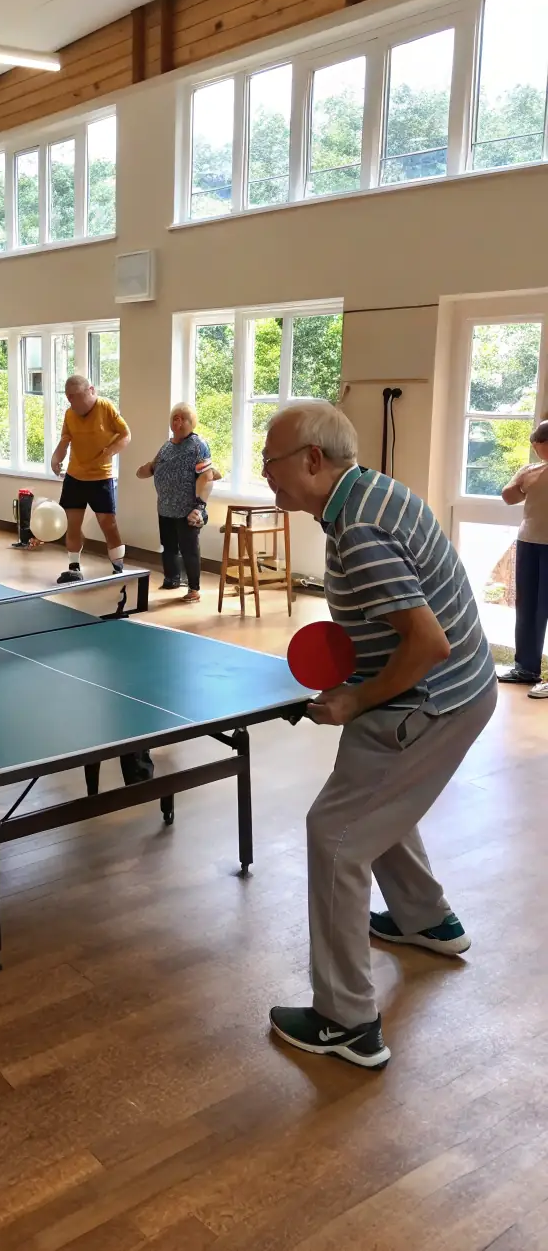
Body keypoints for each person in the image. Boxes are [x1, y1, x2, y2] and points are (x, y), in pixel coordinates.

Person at [260, 402, 497, 1070]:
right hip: (460, 691)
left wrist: (358, 698)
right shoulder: (368, 494)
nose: (266, 475)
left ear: (312, 458)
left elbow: (428, 643)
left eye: (272, 462)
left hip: (431, 700)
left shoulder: (360, 527)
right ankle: (427, 919)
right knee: (375, 801)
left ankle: (347, 1020)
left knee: (335, 835)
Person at [50, 376, 131, 583]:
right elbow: (65, 440)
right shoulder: (69, 414)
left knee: (108, 523)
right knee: (72, 523)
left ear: (90, 391)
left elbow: (125, 434)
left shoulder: (106, 407)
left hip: (100, 477)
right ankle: (74, 567)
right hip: (75, 476)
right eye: (69, 398)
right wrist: (56, 458)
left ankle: (118, 566)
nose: (72, 403)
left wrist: (110, 451)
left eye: (76, 397)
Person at [136, 402, 214, 603]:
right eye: (175, 418)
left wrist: (199, 507)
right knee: (168, 546)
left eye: (183, 418)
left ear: (192, 422)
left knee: (189, 549)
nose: (178, 422)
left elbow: (208, 477)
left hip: (188, 509)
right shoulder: (167, 446)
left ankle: (194, 588)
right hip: (165, 507)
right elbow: (149, 469)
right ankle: (172, 579)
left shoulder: (198, 445)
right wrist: (146, 468)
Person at [498, 418, 548, 699]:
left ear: (543, 444)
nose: (535, 448)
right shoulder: (531, 470)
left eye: (537, 444)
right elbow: (508, 497)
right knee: (527, 607)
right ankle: (526, 669)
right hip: (530, 542)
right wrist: (519, 480)